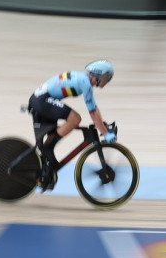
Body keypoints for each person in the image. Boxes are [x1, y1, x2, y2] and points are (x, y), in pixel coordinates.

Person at [27, 60, 116, 191]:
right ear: (98, 76)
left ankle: (45, 158)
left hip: (42, 99)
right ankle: (46, 150)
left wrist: (101, 124)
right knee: (75, 119)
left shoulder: (83, 79)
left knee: (58, 132)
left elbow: (94, 111)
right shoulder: (85, 82)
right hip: (42, 101)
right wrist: (106, 133)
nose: (107, 82)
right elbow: (93, 112)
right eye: (107, 78)